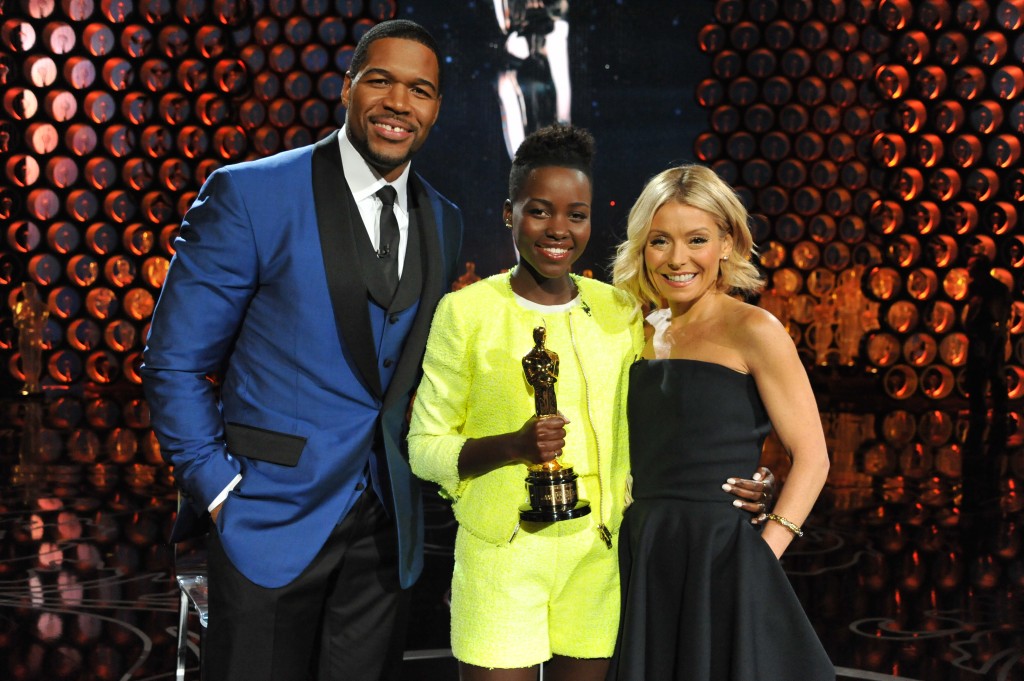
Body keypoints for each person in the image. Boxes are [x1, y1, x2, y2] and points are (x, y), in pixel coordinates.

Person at [141, 20, 463, 681]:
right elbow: (173, 360)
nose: (399, 102)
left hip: (386, 532)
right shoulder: (251, 193)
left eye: (420, 89)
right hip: (267, 516)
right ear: (347, 87)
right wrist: (218, 487)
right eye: (381, 80)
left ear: (435, 109)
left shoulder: (443, 218)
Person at [407, 126, 772, 681]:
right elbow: (424, 449)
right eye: (539, 212)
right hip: (499, 559)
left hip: (598, 562)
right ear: (509, 214)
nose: (558, 230)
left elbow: (677, 416)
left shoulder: (621, 312)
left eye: (575, 214)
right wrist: (512, 446)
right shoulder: (465, 312)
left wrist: (750, 476)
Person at [608, 164, 834, 680]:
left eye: (697, 239)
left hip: (721, 555)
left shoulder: (754, 328)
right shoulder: (629, 331)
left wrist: (764, 553)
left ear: (727, 244)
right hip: (641, 551)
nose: (678, 258)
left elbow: (813, 457)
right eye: (660, 240)